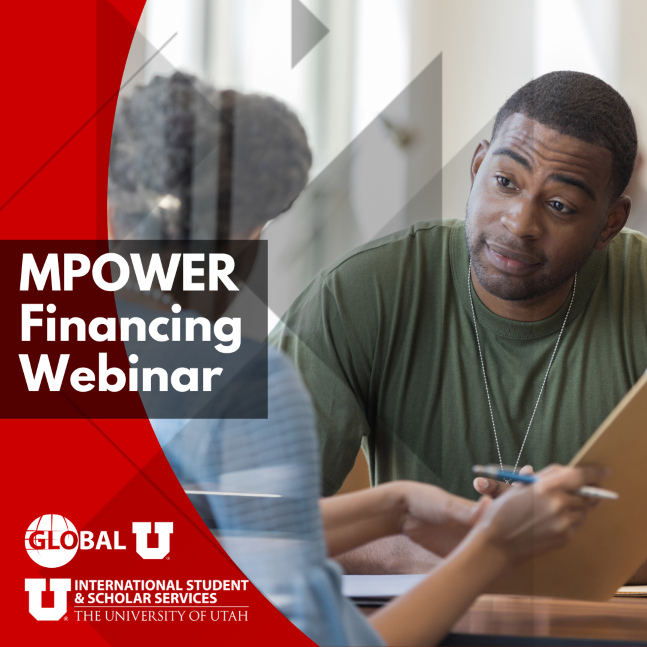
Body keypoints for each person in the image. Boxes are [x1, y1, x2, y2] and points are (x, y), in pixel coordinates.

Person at [107, 72, 606, 645]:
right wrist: (493, 549)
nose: (520, 223)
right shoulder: (241, 386)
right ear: (246, 230)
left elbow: (197, 534)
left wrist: (392, 507)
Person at [270, 71, 647, 577]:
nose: (519, 223)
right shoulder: (360, 294)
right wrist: (402, 556)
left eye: (560, 205)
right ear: (477, 166)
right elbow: (238, 516)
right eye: (505, 182)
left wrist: (589, 540)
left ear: (609, 224)